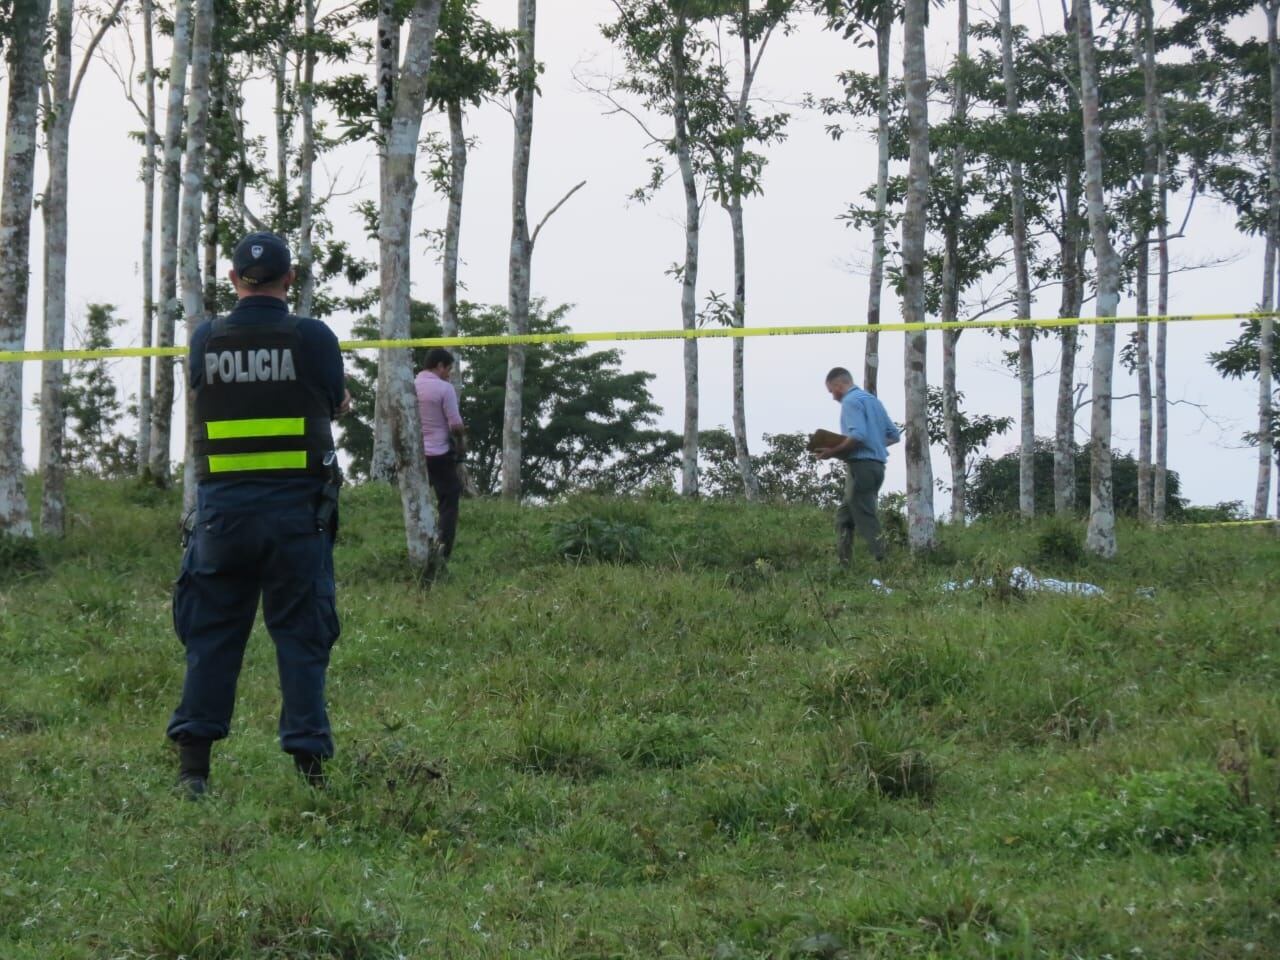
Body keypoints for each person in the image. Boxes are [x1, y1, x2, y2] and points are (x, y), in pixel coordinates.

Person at [167, 231, 351, 798]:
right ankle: (311, 770)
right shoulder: (312, 337)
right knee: (301, 638)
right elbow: (335, 401)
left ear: (233, 279)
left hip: (222, 518)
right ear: (289, 279)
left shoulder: (206, 338)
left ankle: (194, 772)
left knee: (212, 637)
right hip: (296, 518)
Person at [816, 367, 900, 565]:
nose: (833, 397)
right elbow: (894, 435)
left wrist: (832, 451)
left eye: (832, 391)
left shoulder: (850, 401)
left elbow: (858, 436)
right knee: (844, 517)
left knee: (865, 514)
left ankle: (884, 561)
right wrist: (875, 444)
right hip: (877, 467)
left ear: (839, 385)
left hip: (861, 466)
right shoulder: (873, 401)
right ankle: (843, 563)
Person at [414, 347, 467, 560]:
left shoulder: (412, 385)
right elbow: (455, 424)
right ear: (439, 366)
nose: (449, 374)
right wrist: (462, 440)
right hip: (439, 453)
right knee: (448, 500)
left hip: (416, 454)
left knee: (418, 500)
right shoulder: (444, 389)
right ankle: (443, 551)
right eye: (448, 369)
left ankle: (419, 545)